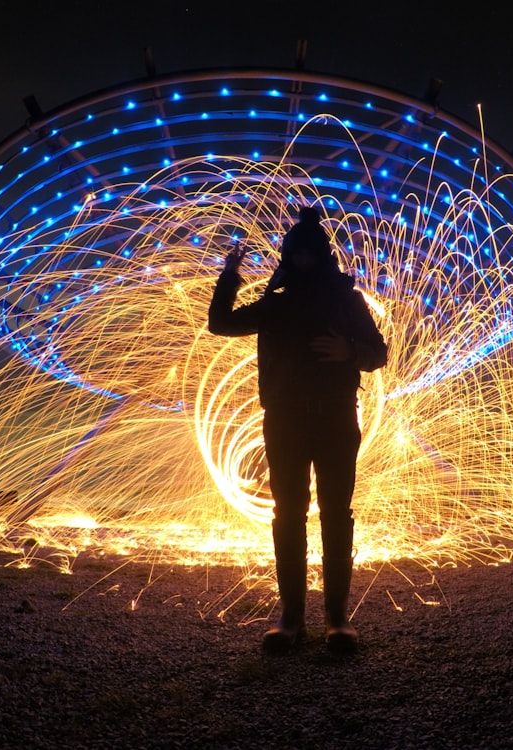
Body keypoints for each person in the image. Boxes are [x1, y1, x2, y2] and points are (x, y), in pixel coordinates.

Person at [208, 206, 388, 653]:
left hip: (335, 417)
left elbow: (378, 353)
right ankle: (291, 616)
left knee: (335, 514)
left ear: (322, 256)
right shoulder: (276, 304)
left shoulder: (348, 301)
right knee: (288, 514)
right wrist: (230, 273)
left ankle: (336, 617)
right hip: (285, 420)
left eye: (311, 255)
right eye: (298, 255)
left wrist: (350, 349)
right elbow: (220, 324)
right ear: (289, 257)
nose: (304, 262)